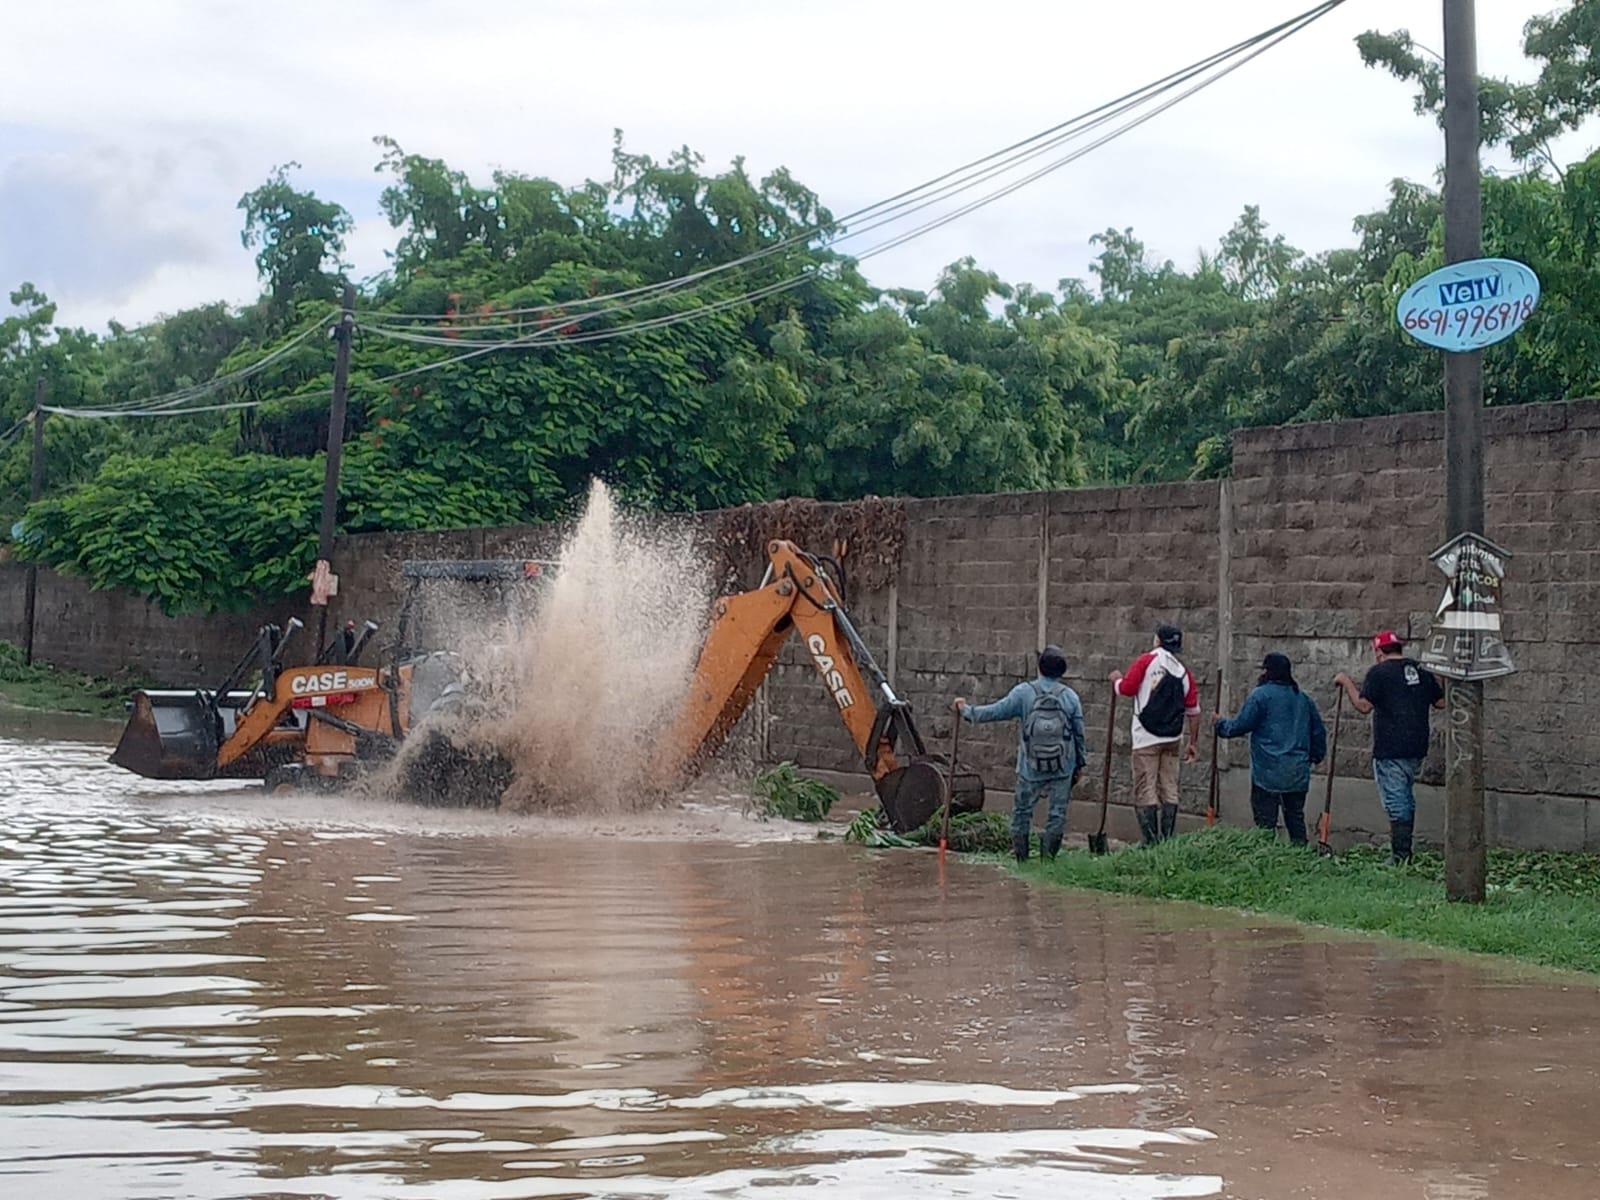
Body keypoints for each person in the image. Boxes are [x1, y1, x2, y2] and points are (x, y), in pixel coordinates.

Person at [953, 644, 1087, 863]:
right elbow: (1079, 734)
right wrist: (1080, 764)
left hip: (1030, 767)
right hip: (1063, 766)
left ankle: (1022, 861)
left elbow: (995, 711)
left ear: (1040, 667)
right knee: (1057, 814)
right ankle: (1048, 862)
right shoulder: (1070, 697)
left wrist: (966, 711)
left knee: (1022, 812)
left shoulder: (1024, 693)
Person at [1334, 630, 1445, 864]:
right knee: (1405, 796)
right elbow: (1441, 701)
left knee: (1396, 800)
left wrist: (1346, 682)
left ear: (1378, 652)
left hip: (1390, 746)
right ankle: (1403, 850)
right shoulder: (1420, 669)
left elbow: (1364, 706)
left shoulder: (1379, 673)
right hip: (1417, 746)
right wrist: (1441, 675)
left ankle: (1401, 855)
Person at [1215, 653, 1327, 844]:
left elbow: (1240, 726)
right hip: (1297, 772)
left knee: (1265, 826)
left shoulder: (1260, 696)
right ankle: (1300, 855)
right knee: (1296, 819)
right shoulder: (1303, 699)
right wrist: (1315, 757)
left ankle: (1267, 856)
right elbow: (1318, 733)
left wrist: (1220, 725)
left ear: (1267, 672)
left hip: (1267, 773)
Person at [1109, 624, 1200, 846]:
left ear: (1157, 640)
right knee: (1169, 786)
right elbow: (1194, 711)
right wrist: (1193, 742)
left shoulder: (1147, 660)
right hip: (1172, 738)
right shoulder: (1183, 671)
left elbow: (1127, 689)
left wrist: (1116, 680)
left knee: (1145, 787)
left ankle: (1150, 841)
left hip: (1146, 737)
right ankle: (1167, 840)